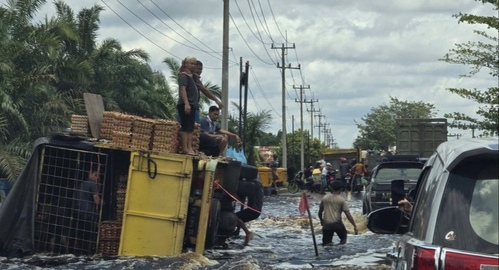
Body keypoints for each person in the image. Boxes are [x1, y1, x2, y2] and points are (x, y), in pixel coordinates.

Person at [318, 181, 358, 246]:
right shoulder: (341, 200)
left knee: (326, 245)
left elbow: (320, 212)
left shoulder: (325, 198)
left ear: (332, 188)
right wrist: (354, 226)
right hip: (338, 225)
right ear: (341, 189)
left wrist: (321, 221)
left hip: (327, 225)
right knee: (343, 241)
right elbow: (348, 214)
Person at [74, 165, 101, 254]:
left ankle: (80, 252)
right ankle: (88, 253)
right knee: (89, 234)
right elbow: (96, 201)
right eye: (96, 175)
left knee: (81, 233)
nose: (97, 177)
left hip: (79, 212)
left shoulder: (82, 184)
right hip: (88, 213)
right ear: (90, 174)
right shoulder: (93, 184)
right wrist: (103, 202)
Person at [177, 56, 199, 155]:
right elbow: (182, 90)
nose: (193, 65)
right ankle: (185, 148)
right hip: (186, 104)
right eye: (191, 63)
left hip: (192, 105)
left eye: (195, 64)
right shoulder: (184, 75)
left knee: (190, 128)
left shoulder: (192, 76)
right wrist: (186, 103)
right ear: (185, 64)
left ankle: (190, 147)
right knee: (185, 127)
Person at [235, 179, 264, 245]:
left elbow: (239, 197)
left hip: (253, 211)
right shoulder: (258, 186)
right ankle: (237, 232)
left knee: (235, 218)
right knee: (238, 218)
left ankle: (247, 232)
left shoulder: (252, 185)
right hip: (256, 211)